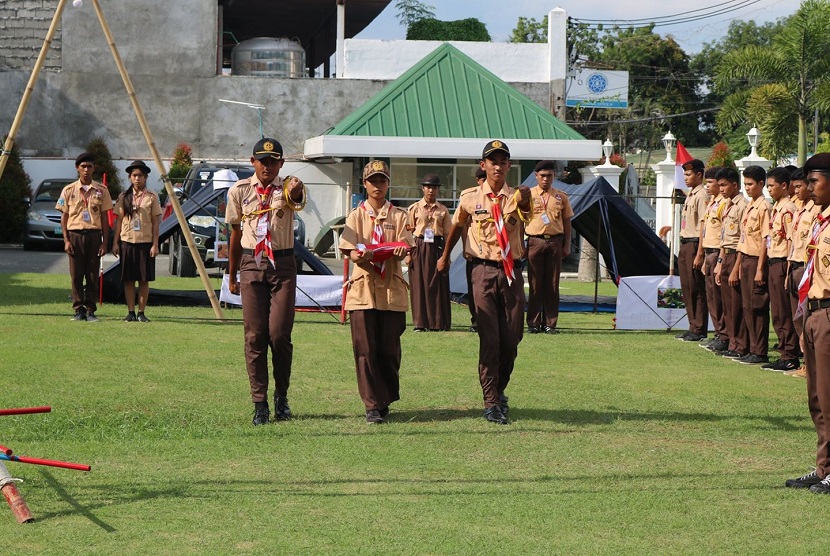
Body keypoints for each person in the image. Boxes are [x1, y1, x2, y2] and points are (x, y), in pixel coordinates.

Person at [437, 140, 532, 425]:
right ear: (483, 166)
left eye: (503, 161)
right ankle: (491, 401)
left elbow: (528, 216)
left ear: (509, 166)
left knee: (513, 336)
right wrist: (444, 257)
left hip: (511, 271)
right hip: (481, 271)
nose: (498, 166)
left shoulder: (519, 196)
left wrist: (525, 201)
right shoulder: (470, 197)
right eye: (493, 161)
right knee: (489, 337)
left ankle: (500, 388)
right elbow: (456, 227)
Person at [226, 138, 306, 426]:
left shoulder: (288, 187)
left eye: (274, 161)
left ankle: (281, 395)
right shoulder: (239, 191)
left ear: (281, 164)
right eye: (263, 161)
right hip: (251, 264)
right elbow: (234, 233)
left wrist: (295, 189)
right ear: (253, 162)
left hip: (282, 264)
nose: (268, 166)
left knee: (279, 334)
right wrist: (232, 272)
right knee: (254, 335)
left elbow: (297, 198)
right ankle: (259, 402)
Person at [339, 160, 413, 424]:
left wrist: (404, 251)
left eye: (382, 180)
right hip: (363, 291)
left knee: (389, 350)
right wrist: (359, 254)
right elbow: (348, 248)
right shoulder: (356, 216)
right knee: (365, 349)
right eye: (373, 180)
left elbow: (407, 248)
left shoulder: (400, 216)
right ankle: (372, 404)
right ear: (365, 183)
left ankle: (385, 398)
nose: (377, 185)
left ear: (388, 183)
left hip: (391, 290)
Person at [785, 153, 830, 493]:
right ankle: (823, 467)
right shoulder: (820, 221)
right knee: (816, 398)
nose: (809, 188)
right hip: (814, 314)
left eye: (815, 181)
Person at [56, 152, 113, 322]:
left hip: (94, 235)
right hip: (75, 235)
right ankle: (78, 309)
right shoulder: (68, 190)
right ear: (77, 168)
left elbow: (105, 218)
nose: (86, 170)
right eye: (83, 167)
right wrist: (66, 240)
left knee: (92, 274)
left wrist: (105, 243)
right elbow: (64, 217)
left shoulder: (101, 190)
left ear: (94, 168)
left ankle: (90, 310)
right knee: (76, 275)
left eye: (89, 166)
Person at [525, 160, 572, 334]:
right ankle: (533, 323)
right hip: (534, 241)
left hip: (555, 242)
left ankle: (550, 323)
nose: (546, 179)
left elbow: (567, 223)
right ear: (536, 176)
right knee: (535, 284)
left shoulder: (561, 196)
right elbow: (520, 220)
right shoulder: (527, 195)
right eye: (542, 175)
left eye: (549, 176)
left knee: (552, 284)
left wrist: (566, 245)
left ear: (554, 177)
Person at [112, 160, 162, 323]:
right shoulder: (123, 197)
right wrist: (115, 243)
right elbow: (118, 221)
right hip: (127, 241)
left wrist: (155, 244)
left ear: (146, 177)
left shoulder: (152, 197)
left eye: (140, 175)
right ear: (129, 177)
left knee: (144, 279)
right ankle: (130, 311)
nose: (137, 178)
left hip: (145, 243)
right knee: (128, 279)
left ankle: (141, 312)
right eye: (134, 175)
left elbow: (156, 223)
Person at [762, 167, 799, 371]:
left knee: (784, 312)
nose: (769, 189)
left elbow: (791, 239)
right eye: (767, 185)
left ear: (784, 186)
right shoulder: (777, 208)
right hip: (773, 261)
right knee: (776, 312)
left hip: (782, 262)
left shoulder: (788, 210)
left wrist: (787, 268)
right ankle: (784, 352)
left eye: (771, 186)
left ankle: (790, 356)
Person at [734, 165, 771, 365]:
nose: (747, 188)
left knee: (757, 307)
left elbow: (766, 239)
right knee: (747, 306)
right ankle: (752, 347)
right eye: (745, 184)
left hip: (757, 259)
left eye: (750, 184)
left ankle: (760, 350)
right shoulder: (750, 205)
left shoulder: (764, 207)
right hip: (746, 258)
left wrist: (760, 269)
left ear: (761, 184)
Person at [407, 174, 452, 331]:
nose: (431, 190)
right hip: (419, 246)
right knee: (418, 284)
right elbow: (407, 232)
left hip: (437, 246)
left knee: (437, 284)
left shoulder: (443, 210)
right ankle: (420, 323)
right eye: (428, 187)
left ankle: (437, 322)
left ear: (438, 189)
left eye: (434, 187)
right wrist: (408, 254)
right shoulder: (414, 209)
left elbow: (448, 234)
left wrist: (447, 255)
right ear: (423, 188)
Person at [786, 168, 819, 378]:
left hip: (807, 269)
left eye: (800, 186)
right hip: (795, 267)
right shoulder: (800, 209)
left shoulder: (816, 211)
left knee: (807, 319)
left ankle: (810, 364)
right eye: (795, 187)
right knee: (797, 318)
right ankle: (805, 361)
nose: (797, 190)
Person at [713, 167, 749, 358]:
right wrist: (720, 262)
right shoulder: (726, 205)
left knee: (737, 304)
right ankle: (732, 342)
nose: (721, 189)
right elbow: (724, 236)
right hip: (726, 255)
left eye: (724, 185)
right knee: (727, 304)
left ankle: (741, 345)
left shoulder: (742, 205)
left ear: (735, 185)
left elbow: (744, 238)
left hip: (737, 255)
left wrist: (736, 267)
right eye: (719, 185)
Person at [676, 159, 709, 341]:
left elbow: (703, 225)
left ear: (699, 175)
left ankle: (699, 328)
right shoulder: (691, 194)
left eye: (689, 174)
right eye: (685, 175)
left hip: (695, 244)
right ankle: (692, 325)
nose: (686, 178)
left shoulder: (701, 195)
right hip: (686, 243)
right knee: (687, 287)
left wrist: (700, 252)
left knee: (697, 287)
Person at [699, 167, 728, 352]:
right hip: (709, 252)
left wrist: (719, 260)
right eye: (707, 182)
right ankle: (719, 332)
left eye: (711, 182)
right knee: (711, 297)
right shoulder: (712, 203)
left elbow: (725, 234)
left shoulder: (724, 204)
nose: (708, 186)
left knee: (719, 298)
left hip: (718, 252)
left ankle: (723, 334)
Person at [465, 168, 487, 333]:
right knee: (474, 290)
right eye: (482, 179)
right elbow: (462, 226)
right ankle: (476, 320)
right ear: (477, 180)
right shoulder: (470, 197)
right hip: (474, 252)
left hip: (494, 254)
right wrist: (466, 246)